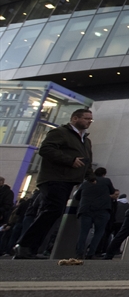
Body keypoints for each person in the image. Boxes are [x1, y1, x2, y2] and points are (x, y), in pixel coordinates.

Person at [14, 108, 94, 259]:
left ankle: (29, 248)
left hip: (68, 179)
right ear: (75, 118)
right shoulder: (60, 133)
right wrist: (69, 160)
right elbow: (46, 149)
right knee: (53, 210)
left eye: (90, 119)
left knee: (54, 212)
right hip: (54, 178)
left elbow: (86, 160)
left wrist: (90, 176)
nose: (89, 121)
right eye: (86, 118)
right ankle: (24, 245)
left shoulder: (85, 140)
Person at [74, 167, 115, 259]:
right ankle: (91, 253)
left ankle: (79, 253)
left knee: (83, 232)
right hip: (102, 210)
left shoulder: (85, 184)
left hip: (86, 210)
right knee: (98, 232)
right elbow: (112, 191)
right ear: (104, 174)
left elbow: (77, 197)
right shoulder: (106, 181)